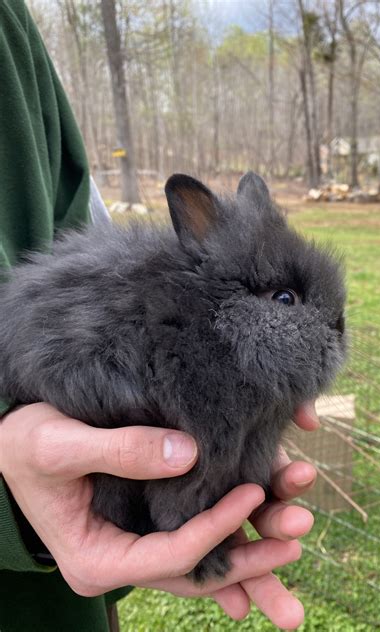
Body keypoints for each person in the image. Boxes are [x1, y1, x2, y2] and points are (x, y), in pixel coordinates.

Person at [0, 1, 319, 630]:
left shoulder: (11, 27)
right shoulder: (197, 346)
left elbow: (74, 213)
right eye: (285, 301)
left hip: (69, 598)